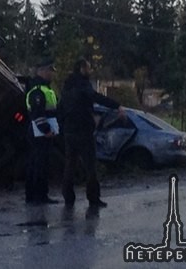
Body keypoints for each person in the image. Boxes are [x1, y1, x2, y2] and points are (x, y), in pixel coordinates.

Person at [60, 58, 125, 208]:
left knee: (70, 164)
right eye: (88, 68)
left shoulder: (67, 86)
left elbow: (61, 107)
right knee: (90, 165)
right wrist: (116, 106)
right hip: (83, 130)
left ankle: (68, 196)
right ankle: (93, 197)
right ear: (82, 69)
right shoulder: (83, 85)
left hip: (69, 131)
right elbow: (96, 97)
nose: (90, 71)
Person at [25, 59, 60, 205]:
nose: (51, 73)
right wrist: (46, 130)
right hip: (39, 134)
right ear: (42, 71)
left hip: (43, 132)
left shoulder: (45, 88)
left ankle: (39, 195)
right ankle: (37, 196)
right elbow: (37, 113)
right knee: (38, 165)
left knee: (41, 164)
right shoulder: (38, 90)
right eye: (49, 70)